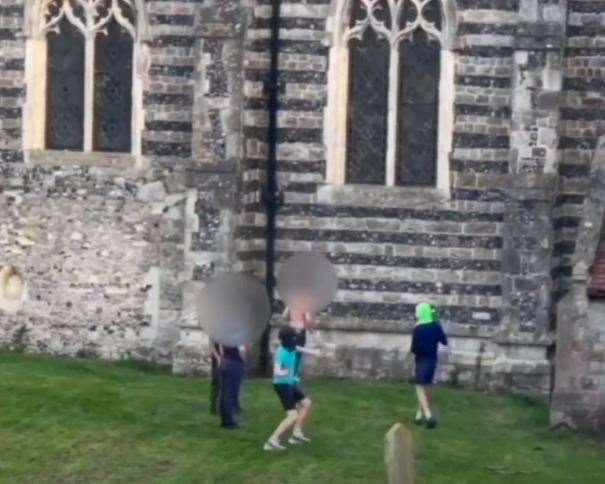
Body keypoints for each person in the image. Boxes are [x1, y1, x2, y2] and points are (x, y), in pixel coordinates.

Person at [263, 326, 315, 450]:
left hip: (290, 383)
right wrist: (287, 371)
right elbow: (277, 371)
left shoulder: (290, 347)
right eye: (293, 337)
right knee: (292, 415)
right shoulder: (281, 353)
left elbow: (298, 348)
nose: (295, 339)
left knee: (306, 403)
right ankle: (271, 442)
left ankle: (296, 435)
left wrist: (314, 352)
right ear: (287, 339)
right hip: (282, 385)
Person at [410, 302, 448, 429]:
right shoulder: (436, 326)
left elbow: (414, 349)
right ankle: (418, 415)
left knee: (419, 388)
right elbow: (444, 341)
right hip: (433, 360)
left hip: (421, 361)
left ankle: (428, 415)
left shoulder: (418, 328)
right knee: (426, 387)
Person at [217, 342, 245, 429]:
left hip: (225, 361)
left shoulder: (225, 335)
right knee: (231, 393)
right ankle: (229, 422)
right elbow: (242, 352)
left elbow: (221, 349)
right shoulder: (237, 338)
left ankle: (224, 419)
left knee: (224, 393)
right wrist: (243, 360)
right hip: (234, 363)